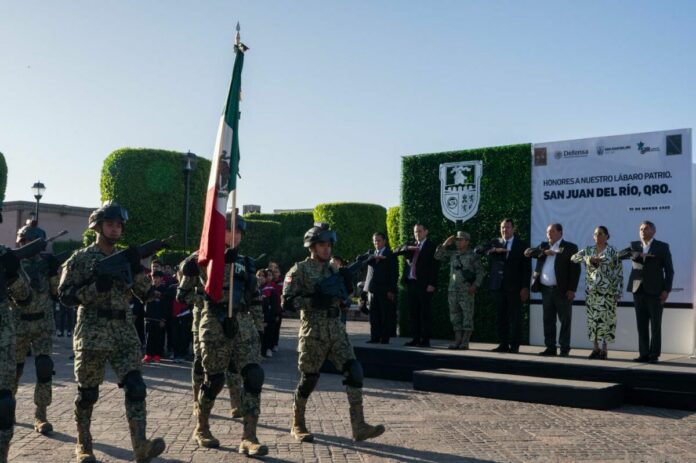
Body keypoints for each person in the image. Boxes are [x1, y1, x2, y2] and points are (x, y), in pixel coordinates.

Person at [58, 202, 165, 463]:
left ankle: (140, 445)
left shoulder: (126, 257)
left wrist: (139, 269)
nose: (115, 229)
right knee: (88, 393)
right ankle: (83, 444)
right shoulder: (80, 259)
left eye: (119, 225)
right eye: (110, 224)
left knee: (136, 387)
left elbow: (145, 294)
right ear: (97, 227)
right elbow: (65, 297)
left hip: (124, 332)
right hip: (92, 331)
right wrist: (96, 288)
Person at [282, 222, 385, 443]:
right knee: (309, 379)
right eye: (322, 244)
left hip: (336, 329)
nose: (327, 248)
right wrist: (313, 301)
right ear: (311, 246)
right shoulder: (298, 270)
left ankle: (359, 426)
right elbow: (287, 302)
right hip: (313, 331)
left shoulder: (333, 270)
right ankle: (297, 423)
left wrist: (346, 293)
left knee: (354, 370)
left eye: (329, 244)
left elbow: (342, 299)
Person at [187, 215, 267, 456]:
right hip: (214, 323)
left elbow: (254, 297)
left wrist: (259, 327)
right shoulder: (201, 258)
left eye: (240, 232)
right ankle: (202, 427)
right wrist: (216, 266)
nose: (236, 236)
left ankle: (249, 437)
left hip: (243, 325)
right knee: (215, 380)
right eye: (231, 231)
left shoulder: (245, 262)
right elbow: (183, 295)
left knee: (254, 376)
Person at [11, 223, 59, 435]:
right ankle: (8, 409)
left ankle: (41, 416)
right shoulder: (12, 263)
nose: (29, 245)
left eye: (34, 242)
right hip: (17, 324)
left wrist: (56, 271)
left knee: (44, 368)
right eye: (26, 241)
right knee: (13, 370)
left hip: (42, 324)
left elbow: (57, 292)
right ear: (20, 243)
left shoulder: (46, 264)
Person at [525, 223, 580, 357]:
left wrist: (572, 289)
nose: (548, 234)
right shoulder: (544, 246)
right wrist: (544, 252)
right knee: (548, 320)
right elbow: (527, 252)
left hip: (562, 290)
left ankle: (564, 349)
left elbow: (575, 270)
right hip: (546, 290)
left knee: (565, 320)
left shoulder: (570, 247)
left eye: (552, 232)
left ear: (560, 233)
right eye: (547, 232)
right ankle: (550, 347)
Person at [0, 241, 33, 463]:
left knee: (4, 404)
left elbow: (25, 298)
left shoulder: (4, 255)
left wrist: (12, 274)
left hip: (2, 340)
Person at [478, 218, 530, 353]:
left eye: (507, 227)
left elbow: (526, 268)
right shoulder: (495, 242)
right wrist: (494, 250)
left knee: (515, 317)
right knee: (501, 317)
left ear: (513, 229)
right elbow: (478, 249)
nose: (504, 230)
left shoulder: (521, 245)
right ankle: (503, 344)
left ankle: (515, 345)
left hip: (515, 287)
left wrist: (525, 287)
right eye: (502, 227)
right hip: (498, 286)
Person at [571, 226, 623, 359]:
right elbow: (573, 258)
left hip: (608, 292)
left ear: (607, 236)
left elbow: (619, 273)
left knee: (607, 320)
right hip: (592, 291)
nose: (597, 236)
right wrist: (589, 259)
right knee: (593, 320)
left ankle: (604, 349)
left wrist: (618, 291)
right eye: (595, 234)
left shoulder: (613, 251)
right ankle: (595, 348)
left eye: (600, 234)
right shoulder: (589, 250)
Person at [626, 221, 674, 363]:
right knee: (641, 324)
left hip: (655, 291)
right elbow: (621, 255)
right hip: (638, 289)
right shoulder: (634, 245)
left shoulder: (662, 246)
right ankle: (643, 353)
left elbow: (669, 271)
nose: (642, 231)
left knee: (655, 324)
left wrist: (666, 290)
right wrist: (637, 253)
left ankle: (654, 354)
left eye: (646, 228)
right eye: (640, 229)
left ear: (653, 231)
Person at [434, 231, 484, 350]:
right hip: (453, 291)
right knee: (455, 316)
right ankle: (457, 340)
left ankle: (465, 342)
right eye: (457, 240)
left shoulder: (473, 255)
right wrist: (445, 244)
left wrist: (475, 285)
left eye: (461, 239)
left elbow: (480, 272)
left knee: (467, 316)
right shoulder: (453, 254)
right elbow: (437, 256)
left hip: (466, 291)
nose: (458, 242)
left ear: (467, 242)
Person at [393, 223, 439, 348]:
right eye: (415, 232)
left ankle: (425, 340)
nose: (417, 234)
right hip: (412, 283)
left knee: (425, 313)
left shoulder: (431, 246)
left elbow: (435, 267)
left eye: (419, 231)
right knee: (413, 313)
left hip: (424, 285)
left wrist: (432, 284)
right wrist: (408, 248)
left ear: (426, 232)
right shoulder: (411, 245)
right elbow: (395, 251)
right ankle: (415, 338)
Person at [364, 232, 398, 344]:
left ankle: (385, 338)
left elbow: (394, 274)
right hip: (373, 290)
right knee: (373, 315)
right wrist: (375, 257)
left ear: (384, 241)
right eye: (374, 241)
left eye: (378, 240)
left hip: (385, 290)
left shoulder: (390, 254)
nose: (376, 243)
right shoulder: (372, 254)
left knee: (385, 315)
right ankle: (374, 337)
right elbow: (366, 264)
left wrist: (391, 290)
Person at [142, 271, 167, 363]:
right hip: (148, 317)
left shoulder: (165, 289)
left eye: (157, 277)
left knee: (159, 337)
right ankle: (148, 355)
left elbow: (166, 306)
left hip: (159, 318)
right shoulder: (149, 289)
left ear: (161, 278)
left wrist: (163, 319)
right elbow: (143, 299)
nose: (155, 279)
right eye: (153, 277)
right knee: (148, 337)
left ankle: (157, 355)